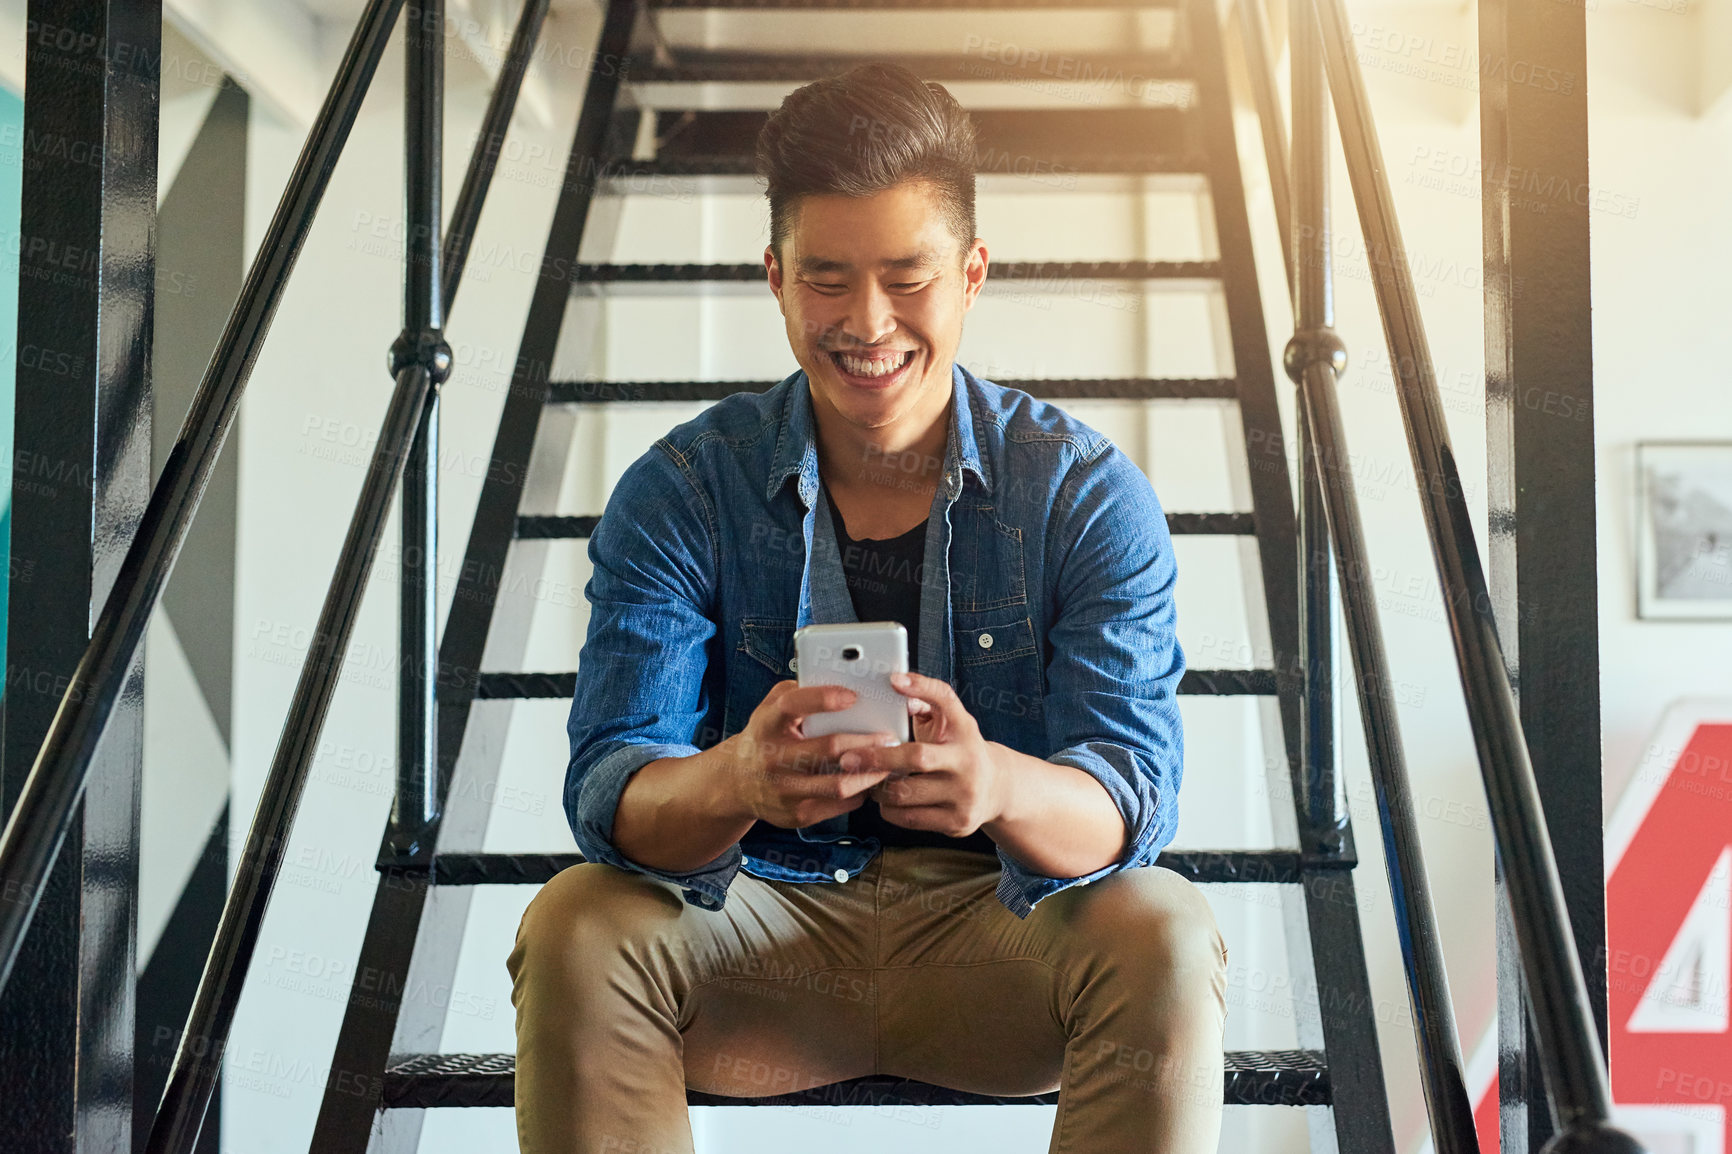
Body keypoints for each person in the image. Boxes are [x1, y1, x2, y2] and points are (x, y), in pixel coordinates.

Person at [508, 62, 1227, 1154]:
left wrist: (993, 783)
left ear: (973, 274)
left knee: (1164, 923)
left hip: (1002, 948)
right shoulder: (682, 487)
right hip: (753, 945)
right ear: (776, 279)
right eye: (827, 279)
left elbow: (1128, 803)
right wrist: (737, 779)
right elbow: (611, 788)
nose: (867, 321)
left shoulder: (1081, 492)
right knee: (574, 919)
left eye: (907, 276)